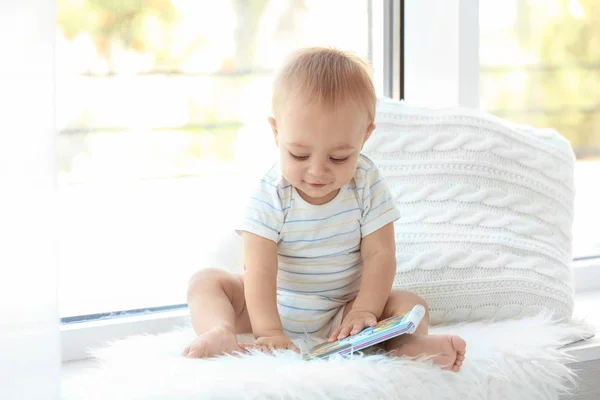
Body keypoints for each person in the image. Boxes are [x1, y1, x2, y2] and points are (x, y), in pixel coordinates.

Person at [183, 47, 466, 372]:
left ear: (365, 137)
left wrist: (364, 309)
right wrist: (270, 331)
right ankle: (220, 331)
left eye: (339, 157)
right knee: (206, 282)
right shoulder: (271, 192)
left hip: (341, 311)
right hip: (271, 304)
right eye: (300, 155)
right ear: (277, 134)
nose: (317, 172)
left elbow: (380, 255)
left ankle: (407, 345)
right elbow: (259, 268)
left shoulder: (367, 182)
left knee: (410, 304)